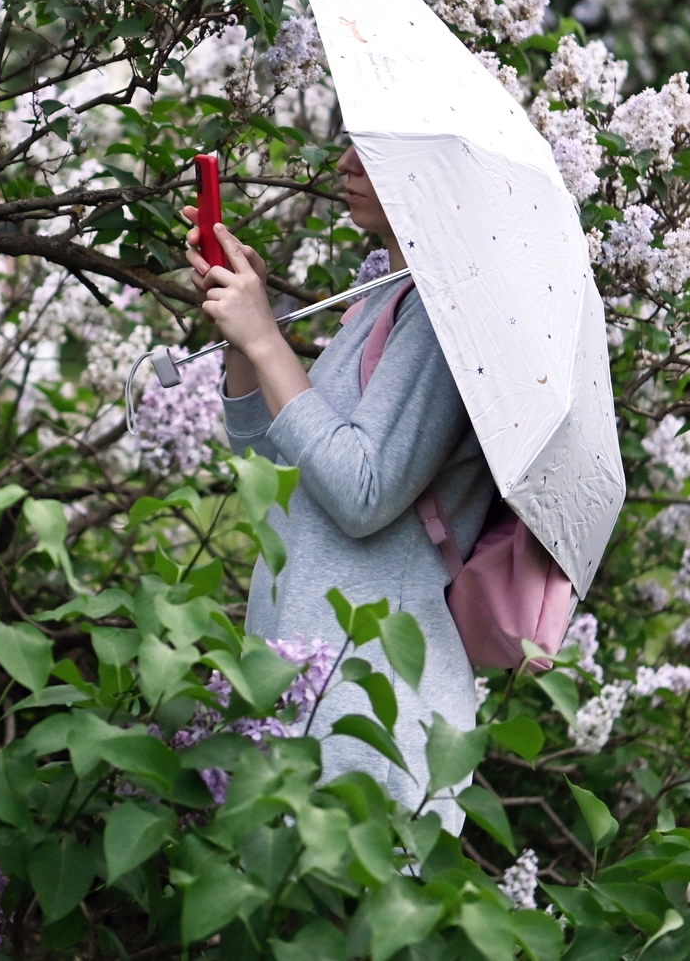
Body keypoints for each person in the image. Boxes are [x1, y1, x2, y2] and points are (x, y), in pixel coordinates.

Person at [185, 144, 493, 823]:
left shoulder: (446, 319)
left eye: (377, 149)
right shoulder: (383, 297)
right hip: (302, 700)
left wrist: (268, 337)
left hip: (372, 716)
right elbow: (274, 471)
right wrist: (241, 337)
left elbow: (362, 491)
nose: (348, 162)